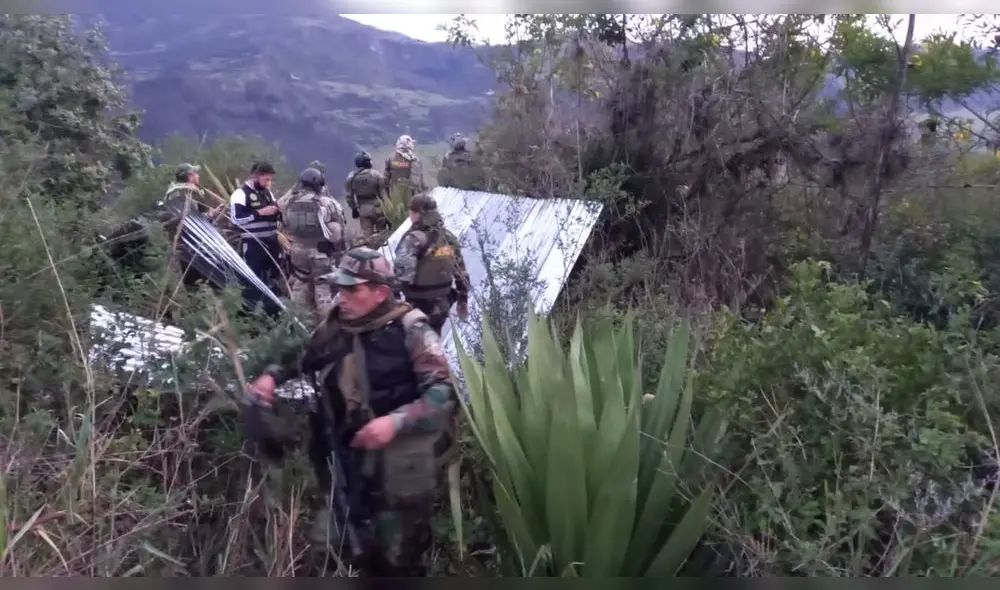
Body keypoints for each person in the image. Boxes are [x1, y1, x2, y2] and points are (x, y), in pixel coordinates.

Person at [246, 247, 458, 577]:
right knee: (340, 545)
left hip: (397, 465)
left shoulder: (413, 330)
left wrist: (395, 422)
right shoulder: (338, 326)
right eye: (339, 288)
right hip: (347, 458)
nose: (341, 297)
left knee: (399, 557)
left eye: (352, 289)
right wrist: (272, 376)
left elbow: (442, 394)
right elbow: (304, 356)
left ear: (381, 292)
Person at [278, 166, 348, 324]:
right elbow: (340, 228)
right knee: (322, 291)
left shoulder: (289, 202)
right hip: (320, 253)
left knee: (299, 287)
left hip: (297, 252)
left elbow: (284, 221)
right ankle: (327, 327)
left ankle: (296, 323)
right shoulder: (326, 203)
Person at [393, 194, 470, 333]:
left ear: (416, 214)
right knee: (434, 345)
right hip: (442, 307)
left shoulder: (413, 239)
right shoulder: (448, 238)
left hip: (418, 306)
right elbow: (461, 273)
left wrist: (394, 302)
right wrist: (462, 301)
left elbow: (401, 275)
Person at [229, 160, 283, 316]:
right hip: (253, 245)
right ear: (256, 176)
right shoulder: (240, 194)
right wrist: (260, 213)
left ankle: (273, 314)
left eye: (270, 179)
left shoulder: (267, 193)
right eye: (266, 179)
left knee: (272, 279)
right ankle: (247, 316)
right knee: (251, 280)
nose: (268, 183)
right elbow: (236, 219)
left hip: (271, 243)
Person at [345, 151, 389, 238]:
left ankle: (369, 251)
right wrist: (389, 209)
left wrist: (354, 209)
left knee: (366, 236)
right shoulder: (376, 174)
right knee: (383, 234)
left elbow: (349, 197)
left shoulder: (351, 177)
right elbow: (383, 194)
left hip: (363, 209)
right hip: (377, 208)